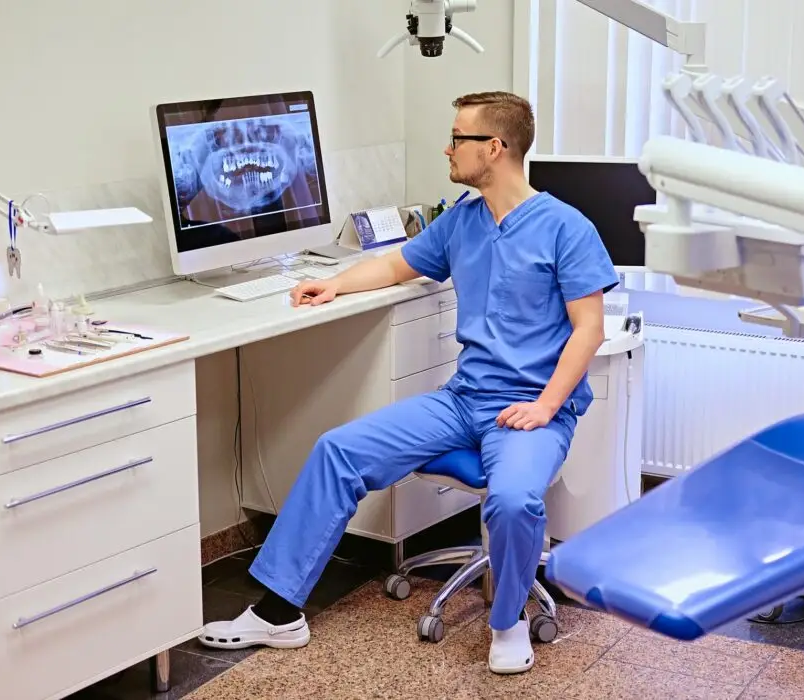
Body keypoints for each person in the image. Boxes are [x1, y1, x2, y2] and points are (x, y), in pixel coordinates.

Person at [198, 91, 619, 675]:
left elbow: (589, 329)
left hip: (530, 406)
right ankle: (278, 613)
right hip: (464, 400)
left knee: (514, 500)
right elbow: (398, 264)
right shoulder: (464, 222)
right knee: (339, 450)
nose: (448, 149)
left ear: (494, 148)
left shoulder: (566, 228)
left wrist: (547, 406)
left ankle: (508, 622)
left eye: (458, 138)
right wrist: (337, 284)